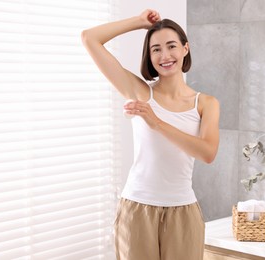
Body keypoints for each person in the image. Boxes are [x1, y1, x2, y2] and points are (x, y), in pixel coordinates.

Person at [81, 9, 220, 260]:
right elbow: (90, 38)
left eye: (171, 46)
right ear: (149, 55)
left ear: (185, 49)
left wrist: (156, 122)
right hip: (137, 209)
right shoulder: (140, 92)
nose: (164, 56)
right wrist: (138, 22)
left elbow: (207, 152)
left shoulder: (206, 103)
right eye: (156, 49)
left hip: (183, 211)